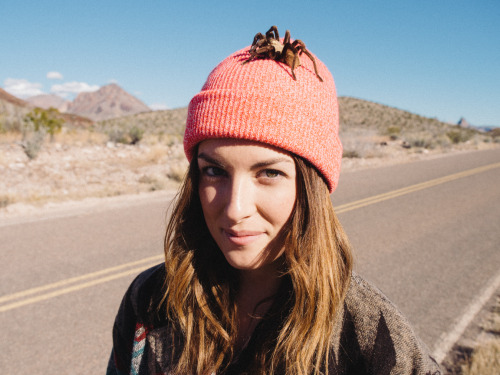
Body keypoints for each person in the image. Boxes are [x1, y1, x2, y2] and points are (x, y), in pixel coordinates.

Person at [107, 26, 441, 375]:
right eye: (214, 172)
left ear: (312, 188)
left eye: (269, 173)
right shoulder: (150, 300)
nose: (235, 209)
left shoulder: (366, 334)